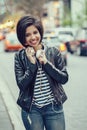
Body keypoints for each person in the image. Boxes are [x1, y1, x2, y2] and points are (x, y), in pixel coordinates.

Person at [14, 14, 69, 130]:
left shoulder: (53, 52)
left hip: (54, 108)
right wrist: (32, 64)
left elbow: (64, 78)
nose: (33, 37)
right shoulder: (19, 57)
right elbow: (22, 85)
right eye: (27, 35)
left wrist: (45, 63)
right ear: (22, 38)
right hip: (31, 109)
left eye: (35, 32)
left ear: (40, 32)